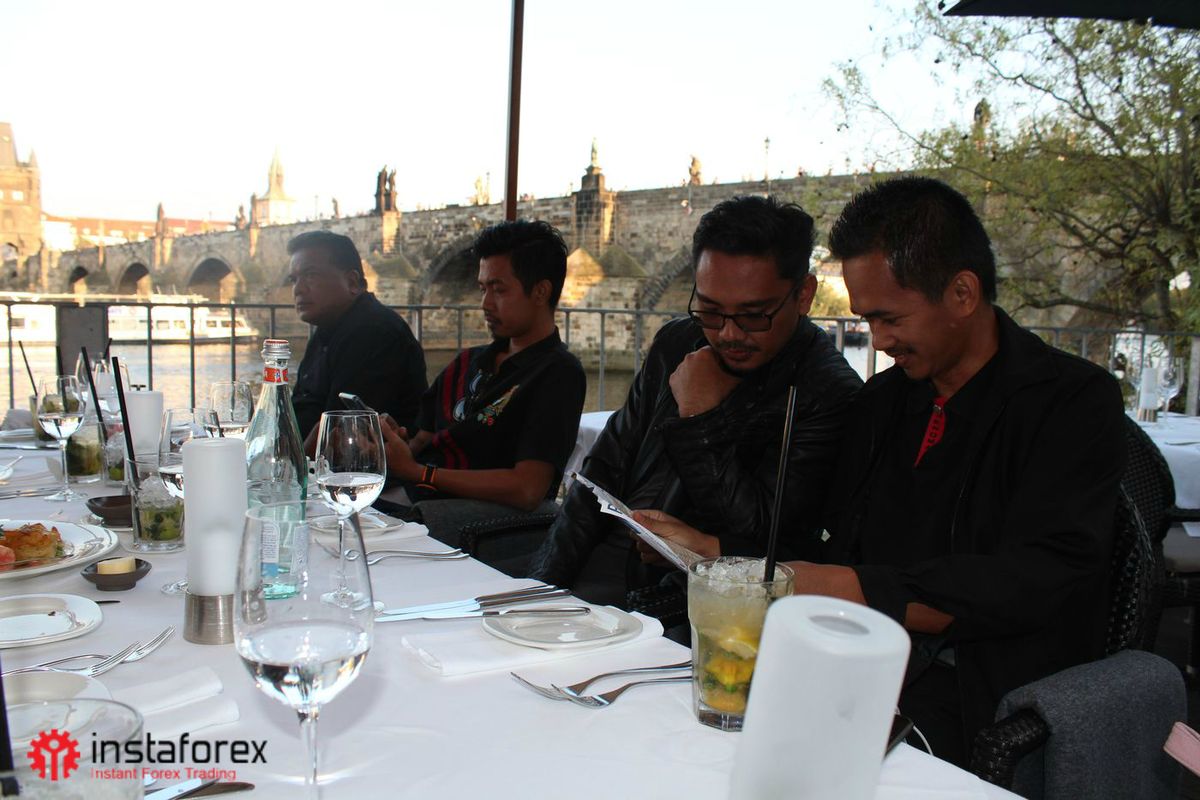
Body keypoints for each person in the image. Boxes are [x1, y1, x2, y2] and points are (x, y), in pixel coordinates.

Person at [638, 177, 1126, 767]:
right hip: (851, 665)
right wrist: (716, 551)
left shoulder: (1070, 401)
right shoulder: (884, 403)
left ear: (963, 292)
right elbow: (825, 543)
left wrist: (859, 589)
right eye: (868, 319)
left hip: (981, 697)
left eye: (890, 319)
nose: (880, 340)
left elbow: (1041, 576)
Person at [527, 195, 863, 607]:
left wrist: (700, 419)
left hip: (687, 600)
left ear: (804, 295)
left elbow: (762, 538)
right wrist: (540, 587)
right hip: (601, 562)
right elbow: (604, 468)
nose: (728, 334)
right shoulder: (678, 341)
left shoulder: (827, 393)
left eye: (753, 315)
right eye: (709, 310)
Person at [380, 219, 586, 518]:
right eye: (482, 289)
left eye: (498, 290)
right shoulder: (467, 362)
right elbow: (421, 440)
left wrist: (419, 473)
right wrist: (391, 444)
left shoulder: (558, 374)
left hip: (463, 521)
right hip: (411, 497)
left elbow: (528, 489)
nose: (485, 304)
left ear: (541, 292)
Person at [287, 230, 427, 451]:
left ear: (352, 282)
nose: (298, 289)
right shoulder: (328, 328)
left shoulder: (374, 332)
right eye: (294, 279)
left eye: (311, 275)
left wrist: (285, 465)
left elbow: (336, 432)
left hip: (359, 469)